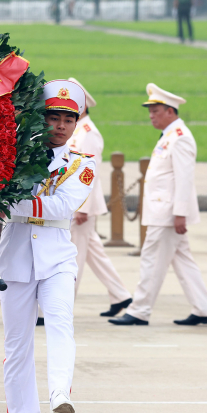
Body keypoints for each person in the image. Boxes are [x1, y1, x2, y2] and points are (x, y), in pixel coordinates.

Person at [0, 80, 94, 413]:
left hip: (56, 256)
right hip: (17, 258)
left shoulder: (81, 165)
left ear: (77, 123)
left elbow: (61, 209)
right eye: (53, 117)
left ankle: (59, 392)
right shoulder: (15, 156)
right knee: (17, 349)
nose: (60, 126)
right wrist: (11, 202)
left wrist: (13, 203)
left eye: (68, 119)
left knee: (60, 324)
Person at [109, 84, 207, 326]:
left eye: (155, 111)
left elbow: (185, 180)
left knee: (151, 260)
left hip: (167, 214)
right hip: (163, 211)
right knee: (182, 261)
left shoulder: (180, 138)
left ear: (170, 111)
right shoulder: (169, 135)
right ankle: (204, 309)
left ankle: (139, 311)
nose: (151, 116)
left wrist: (180, 214)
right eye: (150, 111)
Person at [67, 77, 133, 318]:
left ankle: (60, 309)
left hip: (80, 207)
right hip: (77, 204)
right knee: (92, 251)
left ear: (83, 107)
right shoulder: (77, 130)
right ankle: (121, 296)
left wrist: (82, 207)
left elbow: (88, 173)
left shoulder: (88, 133)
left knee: (73, 257)